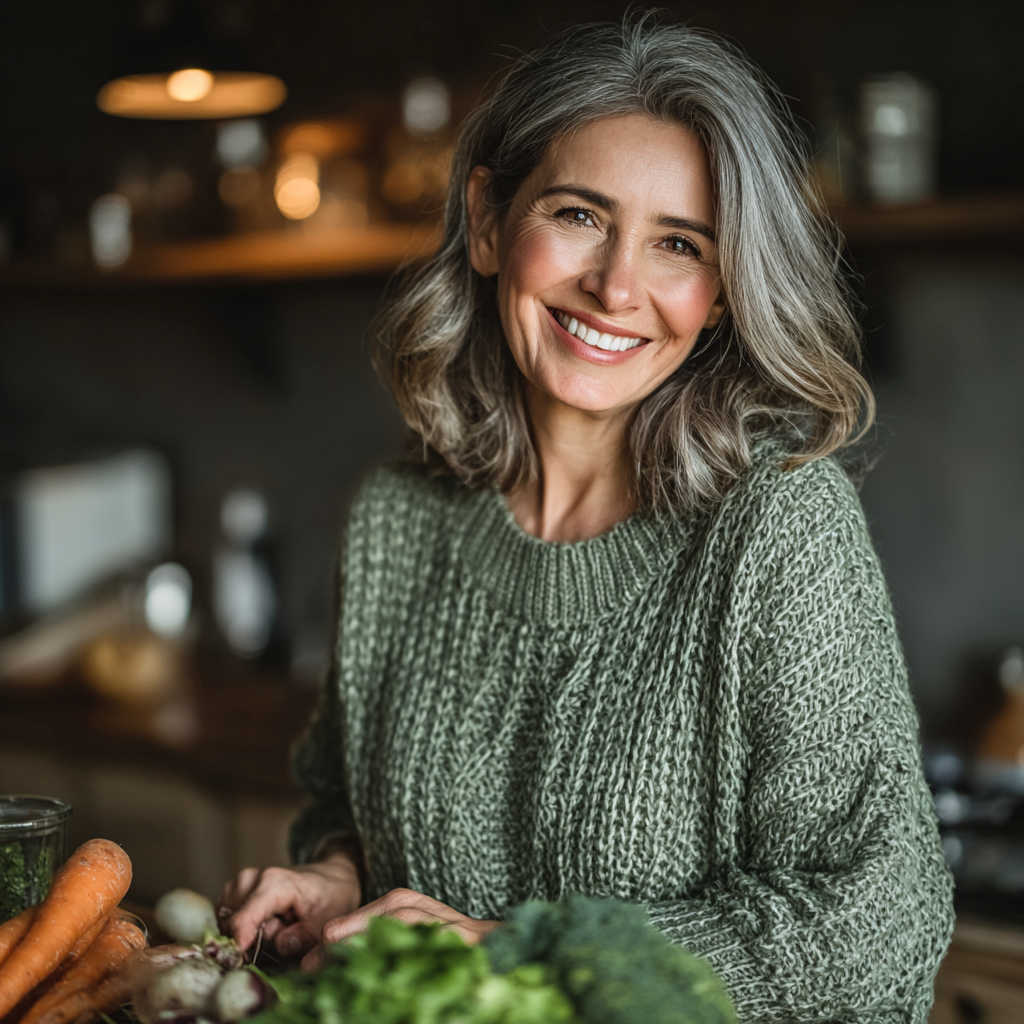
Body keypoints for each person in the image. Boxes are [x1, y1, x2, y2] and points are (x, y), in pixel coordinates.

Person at [221, 16, 953, 1023]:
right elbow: (345, 804)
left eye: (679, 244)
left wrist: (528, 954)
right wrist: (340, 878)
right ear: (487, 219)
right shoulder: (401, 519)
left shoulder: (777, 527)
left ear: (724, 293)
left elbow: (876, 921)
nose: (616, 286)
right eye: (577, 214)